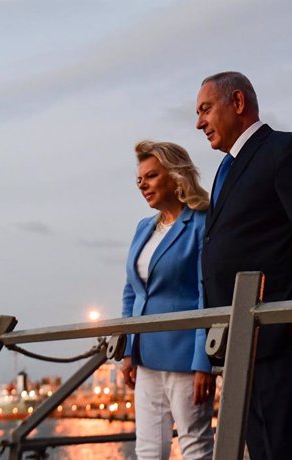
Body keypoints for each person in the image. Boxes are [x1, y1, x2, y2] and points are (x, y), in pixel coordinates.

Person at [195, 71, 292, 459]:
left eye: (206, 109)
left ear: (239, 103)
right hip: (243, 344)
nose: (199, 122)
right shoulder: (226, 170)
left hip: (281, 341)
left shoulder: (285, 151)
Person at [121, 140, 216, 460]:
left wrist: (204, 361)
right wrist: (126, 350)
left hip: (186, 356)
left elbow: (207, 293)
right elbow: (131, 291)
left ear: (175, 176)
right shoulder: (143, 228)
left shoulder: (201, 223)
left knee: (196, 445)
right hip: (145, 358)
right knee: (148, 449)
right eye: (139, 180)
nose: (142, 185)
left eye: (150, 176)